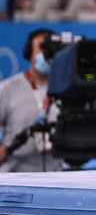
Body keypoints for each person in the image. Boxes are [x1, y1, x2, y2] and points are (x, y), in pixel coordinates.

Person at [0, 28, 63, 172]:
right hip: (14, 177)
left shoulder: (65, 90)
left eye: (50, 49)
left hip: (56, 177)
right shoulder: (7, 89)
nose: (46, 55)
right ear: (29, 53)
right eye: (41, 48)